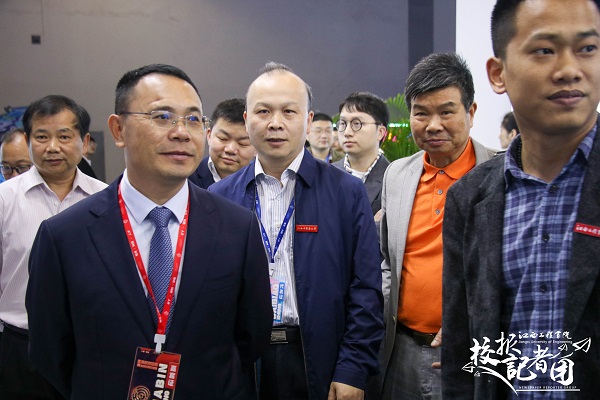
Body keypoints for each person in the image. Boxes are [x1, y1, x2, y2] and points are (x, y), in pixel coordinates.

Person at [26, 64, 273, 399]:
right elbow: (50, 351)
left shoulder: (237, 228)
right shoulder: (64, 236)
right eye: (162, 117)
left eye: (193, 119)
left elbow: (251, 335)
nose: (182, 132)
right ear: (118, 130)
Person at [442, 0, 600, 398]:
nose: (569, 69)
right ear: (499, 74)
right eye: (545, 50)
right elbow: (462, 352)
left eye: (587, 48)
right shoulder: (470, 198)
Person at [209, 62, 384, 400]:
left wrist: (352, 368)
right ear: (247, 119)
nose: (275, 123)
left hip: (321, 358)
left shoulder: (346, 192)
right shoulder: (219, 198)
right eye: (263, 111)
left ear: (307, 120)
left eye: (289, 111)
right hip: (245, 363)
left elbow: (366, 289)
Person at [379, 53, 497, 400]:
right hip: (400, 348)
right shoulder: (397, 175)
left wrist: (472, 326)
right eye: (421, 113)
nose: (433, 125)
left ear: (470, 113)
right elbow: (387, 260)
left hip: (471, 350)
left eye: (446, 112)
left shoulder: (500, 175)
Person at [0, 95, 107, 399]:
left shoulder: (107, 200)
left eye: (64, 136)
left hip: (89, 346)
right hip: (20, 347)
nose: (52, 147)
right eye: (41, 137)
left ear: (84, 141)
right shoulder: (4, 199)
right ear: (28, 140)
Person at [334, 92, 390, 219]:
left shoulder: (393, 178)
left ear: (380, 132)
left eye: (357, 124)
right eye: (343, 123)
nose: (347, 132)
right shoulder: (325, 175)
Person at [189, 97, 256, 188]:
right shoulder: (186, 179)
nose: (230, 149)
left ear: (257, 147)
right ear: (209, 135)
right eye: (223, 138)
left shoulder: (262, 185)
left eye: (242, 143)